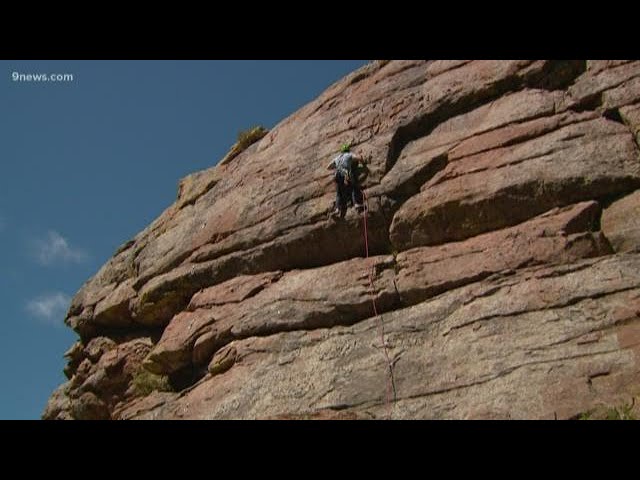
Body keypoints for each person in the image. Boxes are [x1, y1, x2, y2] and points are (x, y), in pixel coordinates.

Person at [327, 143, 365, 218]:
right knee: (353, 187)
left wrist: (336, 166)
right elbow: (359, 158)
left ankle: (337, 209)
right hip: (345, 173)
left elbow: (328, 167)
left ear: (342, 151)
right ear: (348, 150)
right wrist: (363, 163)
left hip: (337, 175)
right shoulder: (349, 154)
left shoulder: (337, 157)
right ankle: (356, 204)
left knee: (339, 193)